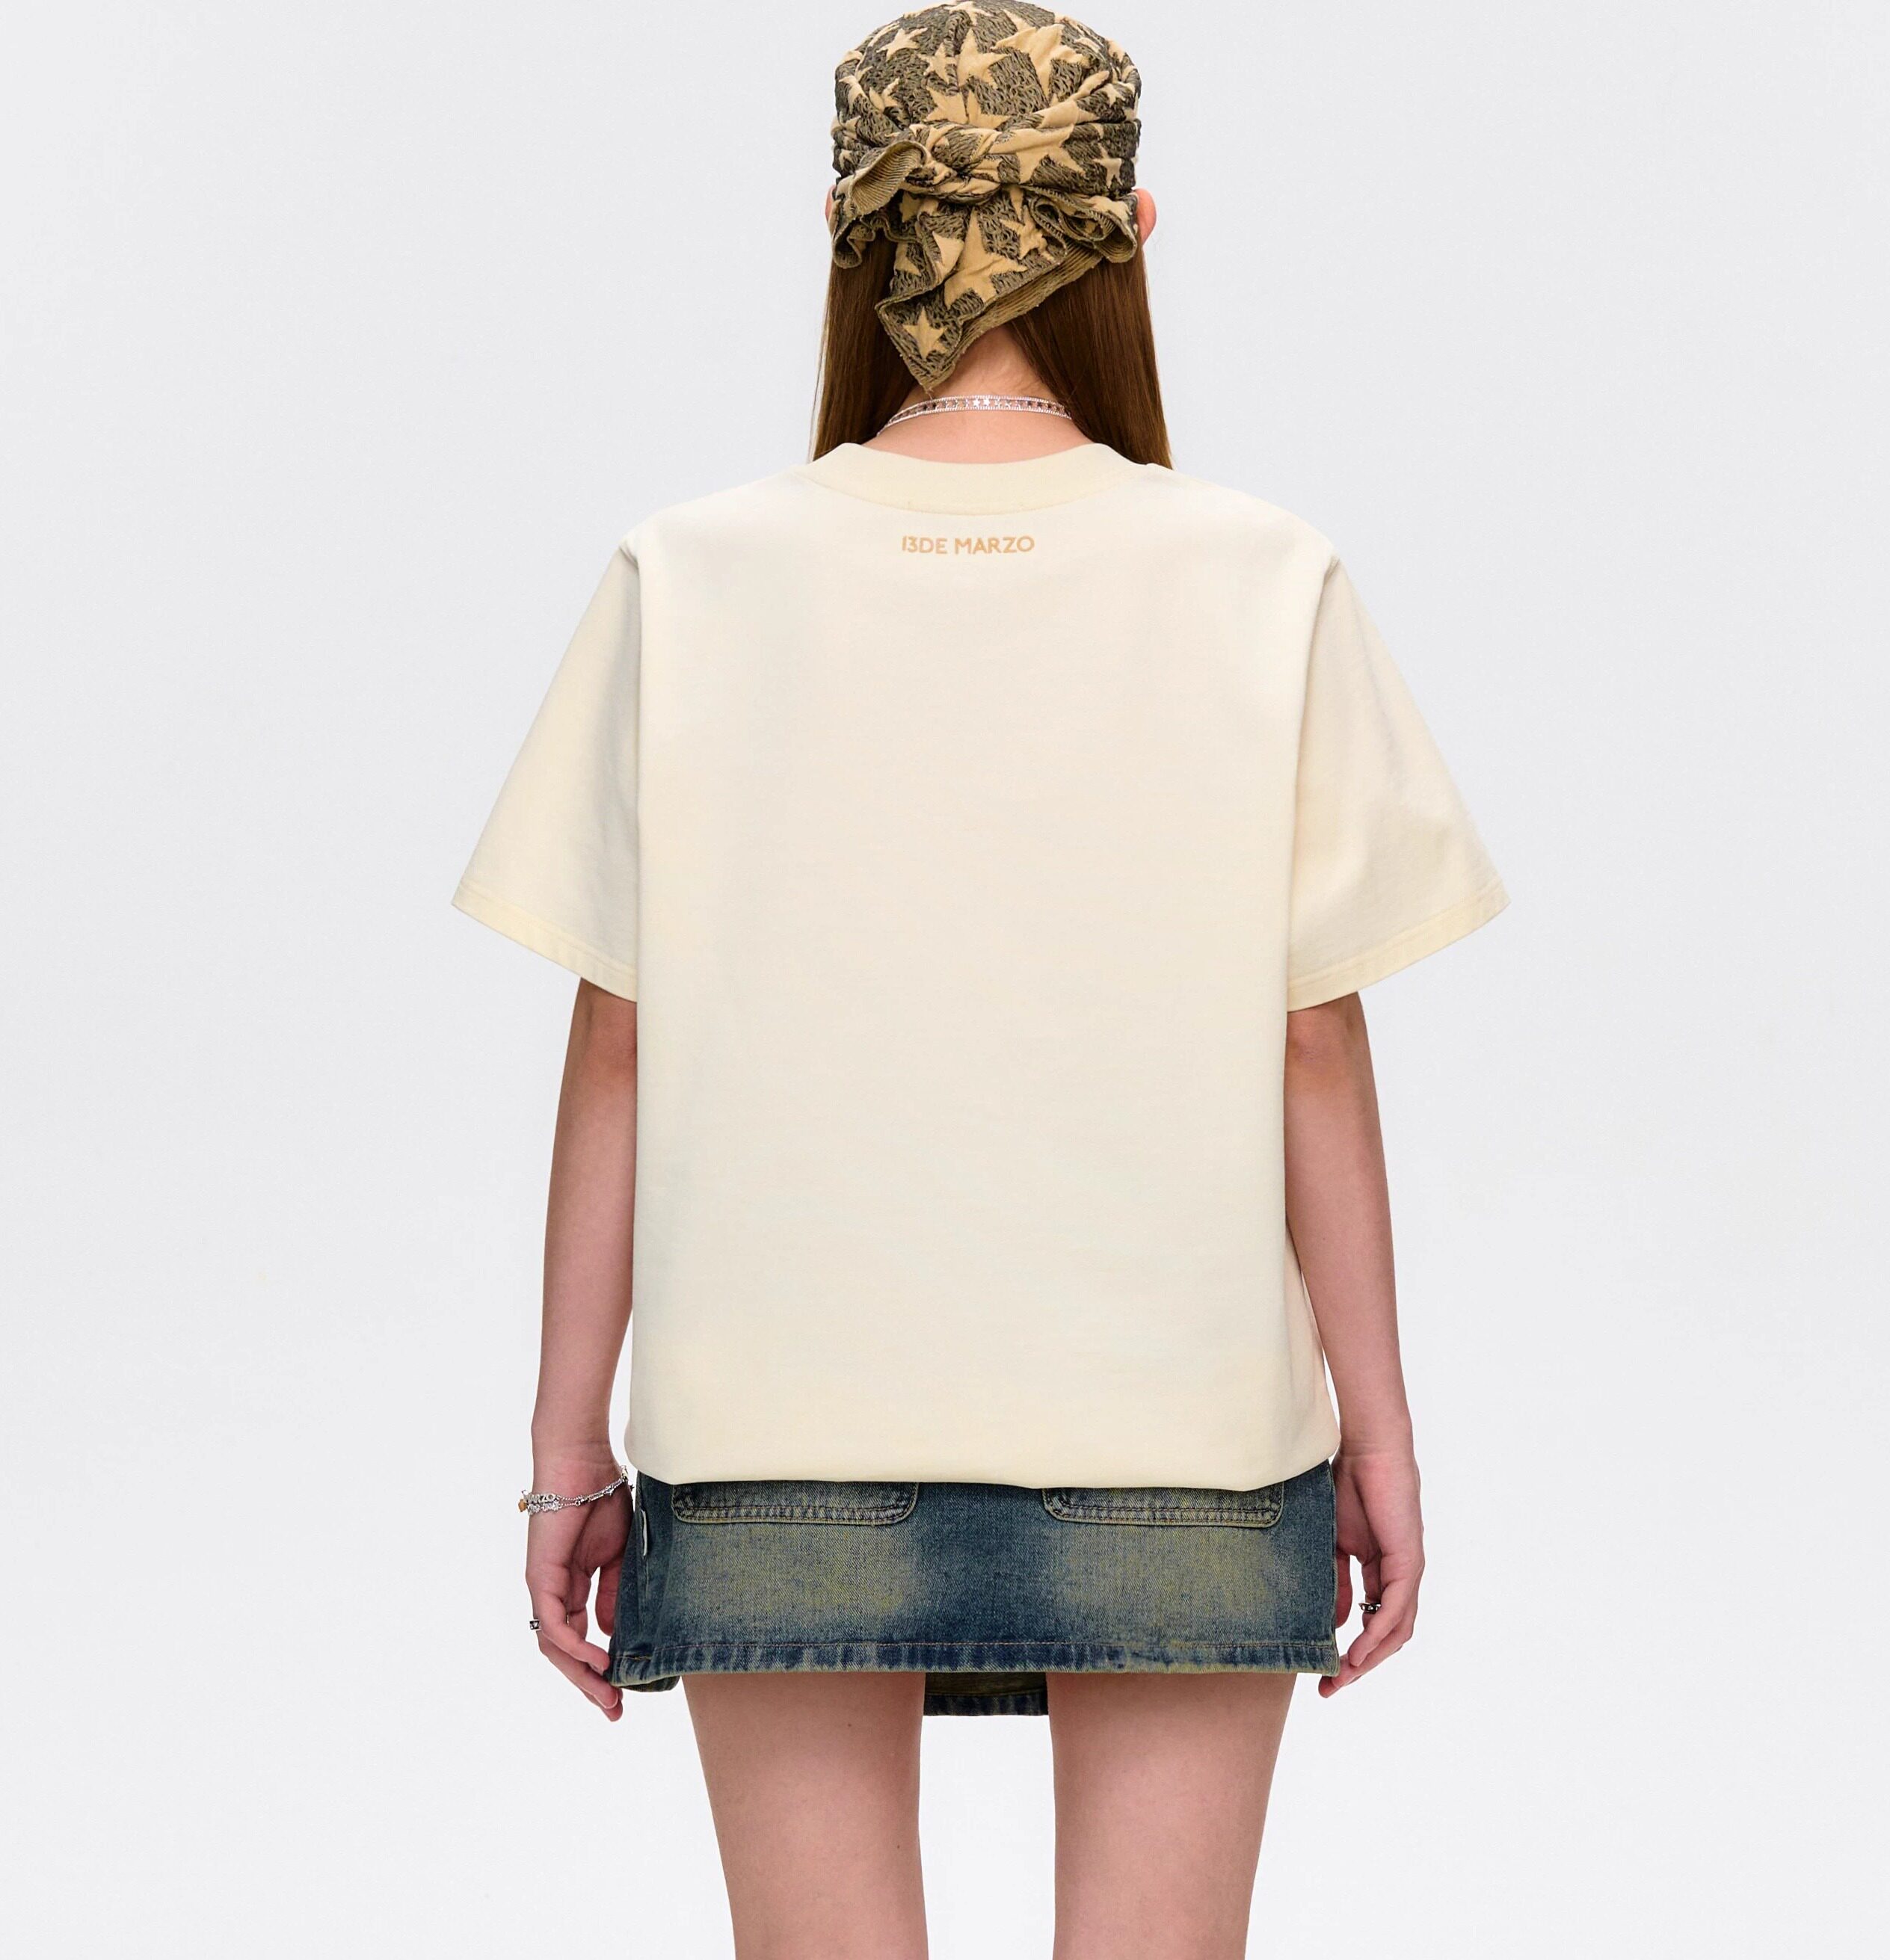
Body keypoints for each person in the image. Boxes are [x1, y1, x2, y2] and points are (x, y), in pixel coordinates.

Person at [455, 7, 1506, 1955]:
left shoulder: (691, 575)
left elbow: (618, 1046)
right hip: (1187, 1443)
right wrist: (1376, 1425)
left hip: (774, 1436)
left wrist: (561, 1454)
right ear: (1133, 230)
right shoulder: (1263, 576)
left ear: (846, 233)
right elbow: (1312, 1044)